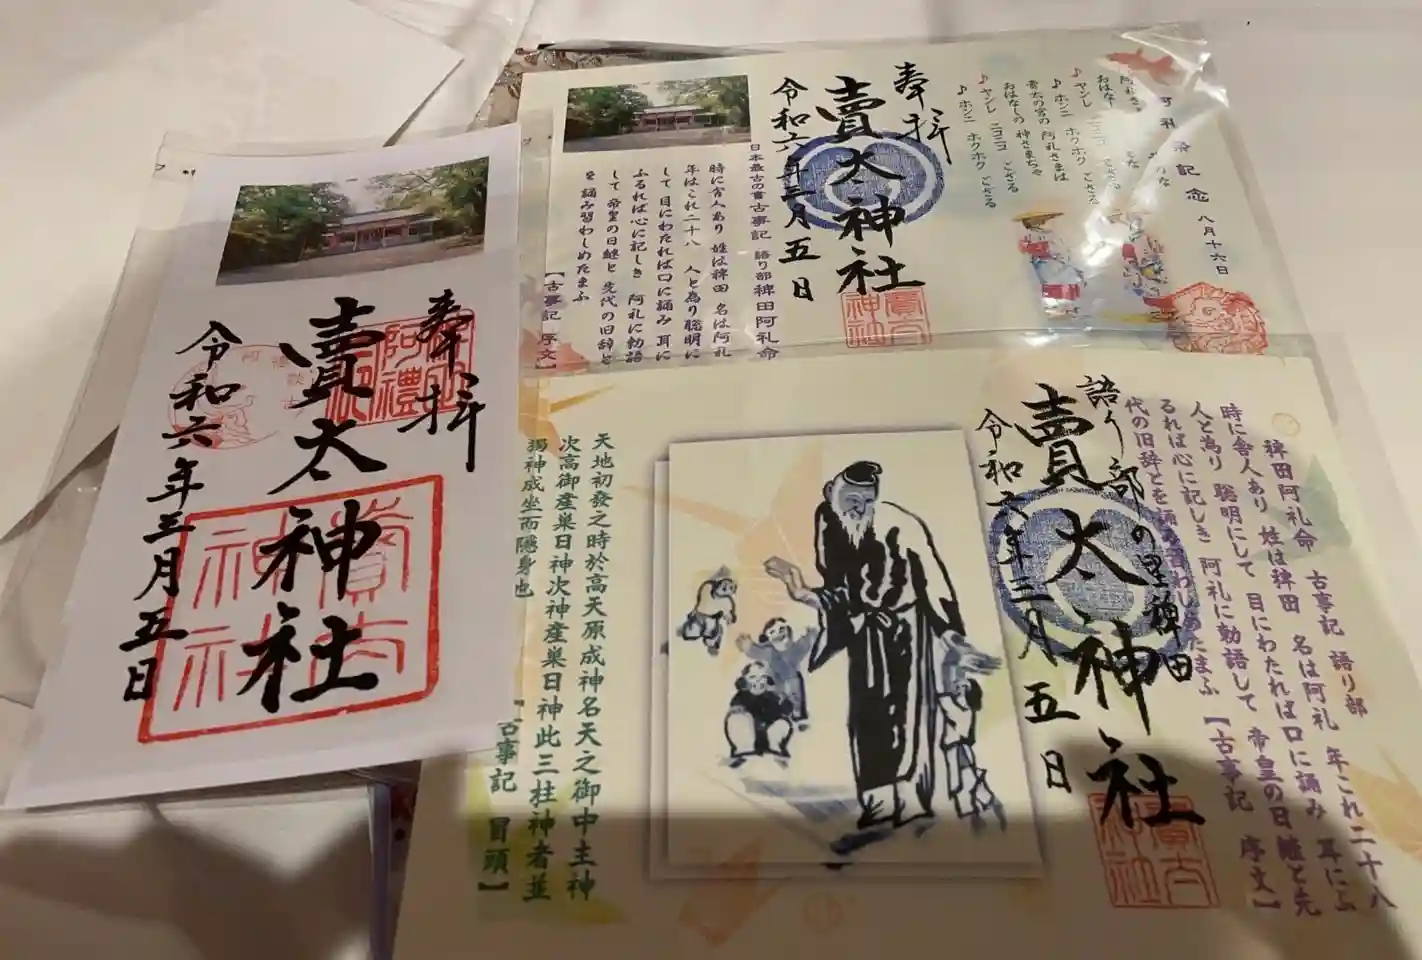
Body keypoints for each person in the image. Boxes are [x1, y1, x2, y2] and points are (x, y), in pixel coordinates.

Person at [765, 460, 999, 834]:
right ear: (832, 495)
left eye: (867, 500)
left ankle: (914, 802)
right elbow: (843, 592)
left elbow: (933, 584)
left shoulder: (899, 526)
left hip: (910, 630)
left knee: (908, 714)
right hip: (866, 634)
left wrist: (953, 637)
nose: (859, 508)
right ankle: (878, 802)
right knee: (867, 714)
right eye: (851, 499)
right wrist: (803, 593)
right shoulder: (829, 523)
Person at [737, 618, 815, 730]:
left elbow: (806, 643)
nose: (778, 634)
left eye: (781, 630)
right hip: (773, 686)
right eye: (772, 632)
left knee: (794, 681)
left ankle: (797, 714)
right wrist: (748, 646)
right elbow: (756, 651)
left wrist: (812, 634)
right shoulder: (769, 652)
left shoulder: (794, 650)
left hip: (790, 688)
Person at [1014, 210, 1085, 318]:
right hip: (1044, 264)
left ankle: (1068, 307)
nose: (1042, 221)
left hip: (1056, 261)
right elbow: (1026, 248)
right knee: (1053, 283)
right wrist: (1045, 248)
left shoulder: (1049, 233)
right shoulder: (1029, 235)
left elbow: (1061, 247)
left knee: (1070, 278)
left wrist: (1061, 252)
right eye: (1038, 220)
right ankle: (1054, 308)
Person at [724, 662, 794, 768]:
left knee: (783, 723)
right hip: (748, 736)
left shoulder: (772, 697)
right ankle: (744, 749)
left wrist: (784, 706)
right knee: (736, 718)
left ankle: (774, 748)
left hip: (767, 735)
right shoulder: (741, 697)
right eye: (752, 677)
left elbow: (780, 712)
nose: (758, 681)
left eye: (762, 677)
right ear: (745, 680)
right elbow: (735, 712)